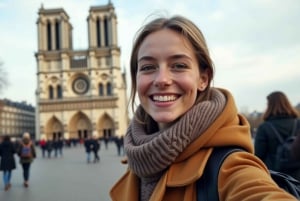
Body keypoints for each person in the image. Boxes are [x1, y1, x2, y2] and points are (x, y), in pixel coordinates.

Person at [110, 15, 297, 201]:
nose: (161, 80)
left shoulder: (230, 166)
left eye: (179, 65)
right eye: (148, 67)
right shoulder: (142, 153)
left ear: (203, 79)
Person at [254, 91, 300, 179]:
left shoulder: (264, 127)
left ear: (269, 106)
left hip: (275, 177)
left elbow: (258, 156)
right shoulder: (298, 124)